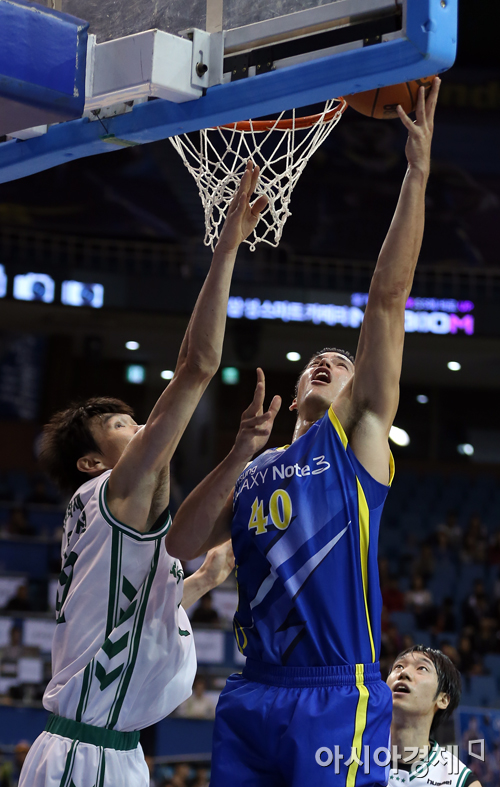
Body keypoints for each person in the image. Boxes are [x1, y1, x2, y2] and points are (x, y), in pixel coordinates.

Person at [166, 79, 441, 787]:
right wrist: (236, 454)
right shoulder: (256, 467)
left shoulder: (359, 443)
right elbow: (182, 542)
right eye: (317, 361)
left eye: (342, 364)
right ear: (294, 391)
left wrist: (416, 174)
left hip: (333, 693)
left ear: (359, 393)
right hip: (252, 689)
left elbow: (386, 298)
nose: (327, 361)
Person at [18, 163, 267, 787]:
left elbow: (129, 612)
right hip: (87, 752)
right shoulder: (113, 492)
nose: (140, 428)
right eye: (124, 425)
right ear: (93, 461)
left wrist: (201, 583)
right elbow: (197, 364)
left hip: (109, 750)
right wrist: (228, 246)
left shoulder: (107, 520)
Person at [387, 644, 480, 787]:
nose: (404, 673)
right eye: (398, 666)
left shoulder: (459, 781)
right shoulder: (350, 757)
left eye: (422, 668)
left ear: (443, 700)